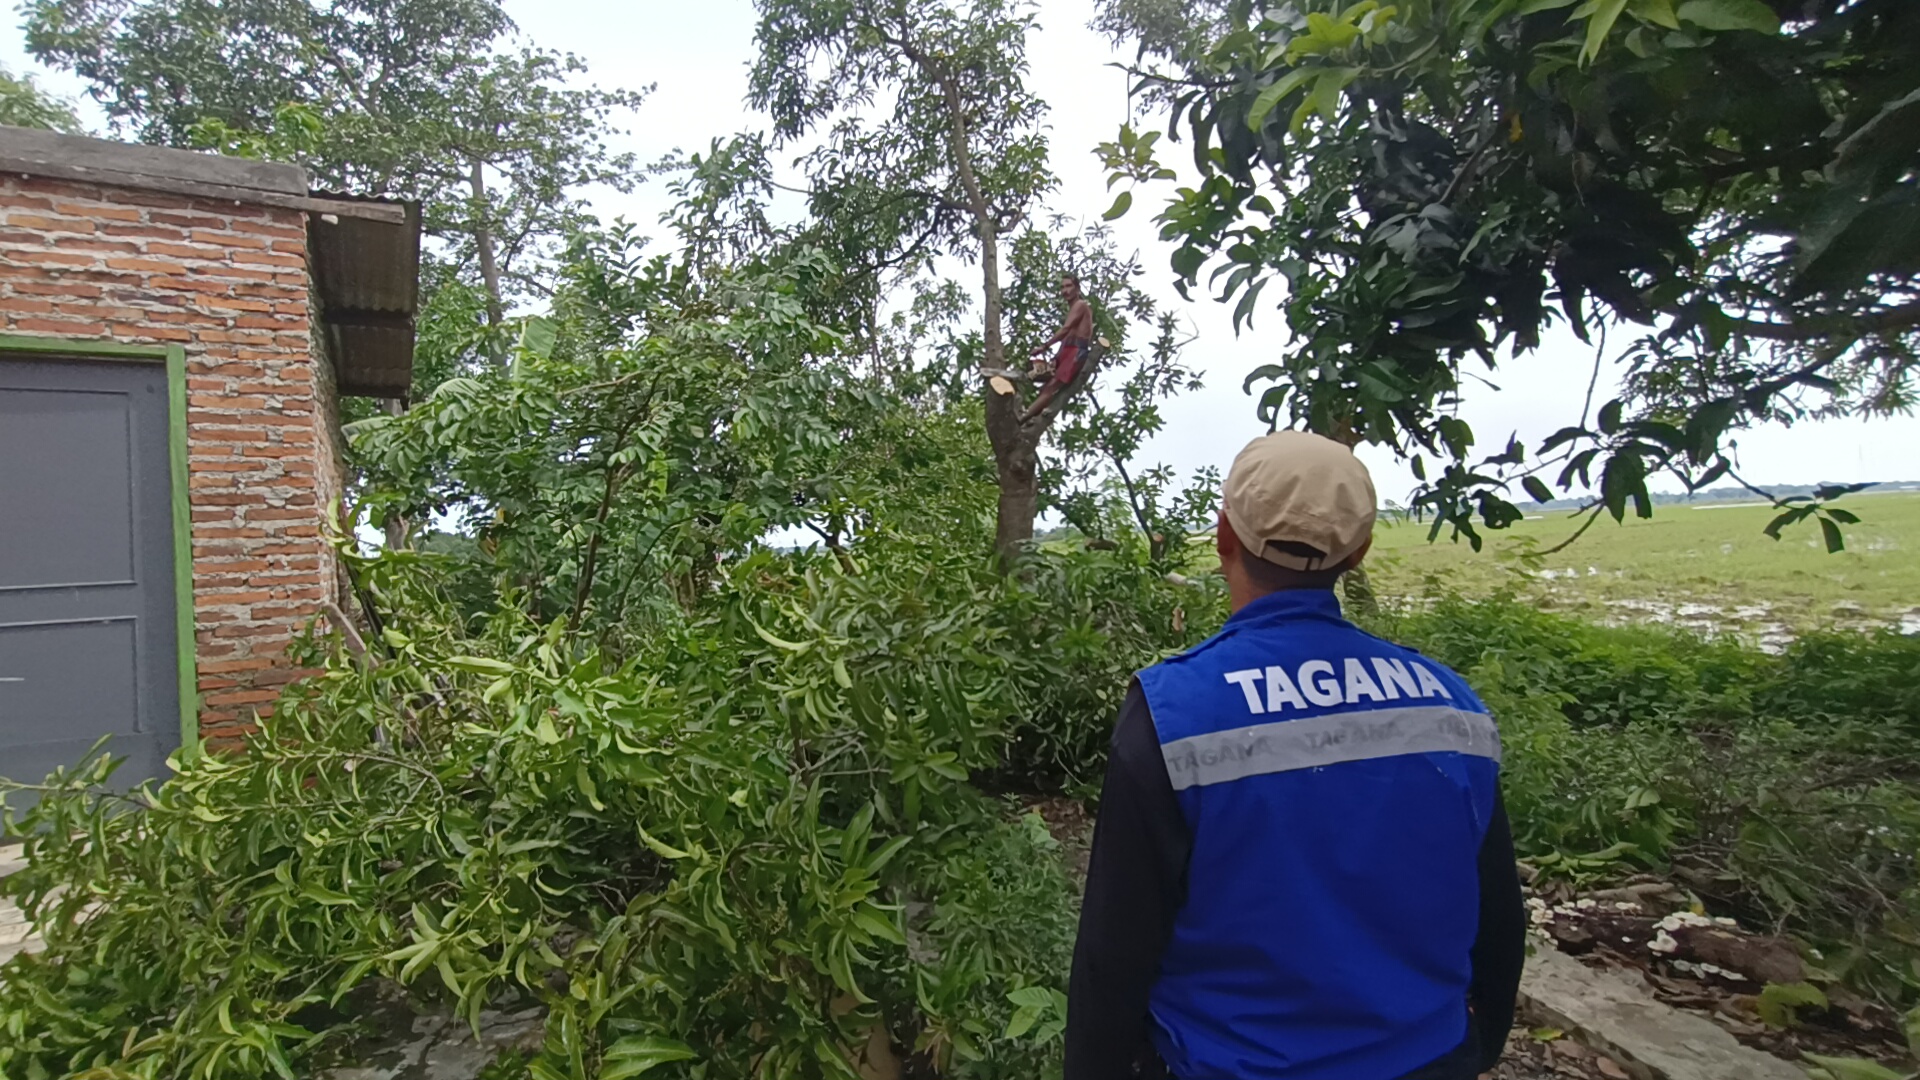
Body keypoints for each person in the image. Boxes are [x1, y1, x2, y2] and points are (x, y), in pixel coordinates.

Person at [1065, 431, 1526, 1080]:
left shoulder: (1175, 712)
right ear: (1358, 552)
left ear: (1224, 534)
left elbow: (1115, 954)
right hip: (1428, 1062)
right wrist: (1484, 1046)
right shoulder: (1452, 708)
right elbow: (1500, 917)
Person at [1025, 273, 1095, 418]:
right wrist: (1056, 359)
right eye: (1062, 287)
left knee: (1051, 387)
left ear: (1077, 288)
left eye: (1069, 286)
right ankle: (1033, 417)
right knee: (1044, 386)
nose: (1065, 290)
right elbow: (1068, 337)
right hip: (1068, 351)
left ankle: (1024, 417)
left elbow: (1066, 330)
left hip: (1076, 351)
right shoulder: (1073, 308)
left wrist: (1044, 347)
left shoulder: (1080, 305)